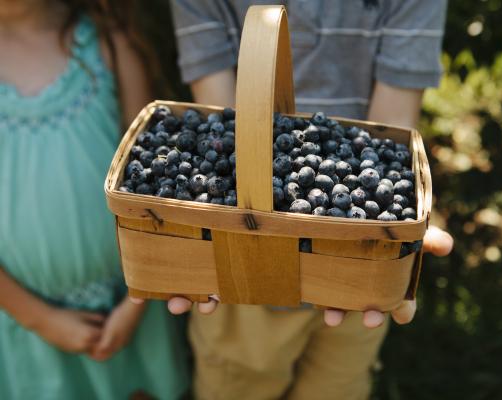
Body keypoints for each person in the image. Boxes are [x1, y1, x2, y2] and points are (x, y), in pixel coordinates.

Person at [163, 1, 453, 399]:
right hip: (241, 265)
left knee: (339, 384)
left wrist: (390, 239)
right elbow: (228, 135)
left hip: (354, 267)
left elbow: (387, 138)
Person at [0, 1, 189, 398]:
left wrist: (138, 300)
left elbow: (154, 179)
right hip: (24, 320)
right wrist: (39, 319)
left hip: (130, 303)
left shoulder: (107, 45)